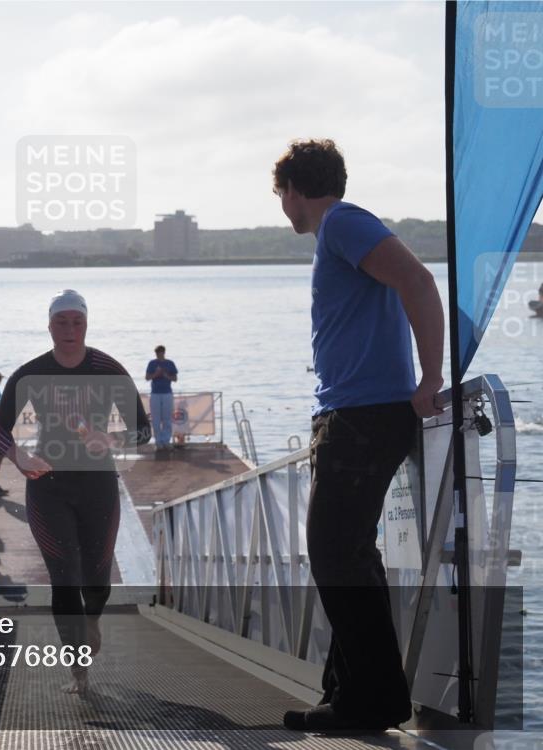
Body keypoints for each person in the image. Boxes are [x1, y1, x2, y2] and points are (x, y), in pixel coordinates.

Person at [273, 139, 444, 733]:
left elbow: (418, 281)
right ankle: (349, 693)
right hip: (352, 414)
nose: (283, 207)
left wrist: (430, 377)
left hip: (364, 416)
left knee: (335, 552)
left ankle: (374, 700)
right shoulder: (340, 231)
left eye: (281, 195)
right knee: (348, 553)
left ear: (295, 189)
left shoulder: (343, 223)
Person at [0, 289, 151, 696]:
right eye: (61, 322)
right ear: (49, 326)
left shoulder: (108, 369)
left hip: (98, 485)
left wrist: (112, 439)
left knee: (97, 579)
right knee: (63, 578)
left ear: (86, 325)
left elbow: (144, 430)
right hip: (48, 485)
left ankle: (92, 618)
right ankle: (79, 672)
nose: (69, 329)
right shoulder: (31, 374)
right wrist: (18, 456)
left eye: (76, 322)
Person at [145, 345, 178, 449]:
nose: (158, 355)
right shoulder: (152, 363)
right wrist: (156, 374)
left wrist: (166, 375)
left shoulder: (170, 363)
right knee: (156, 419)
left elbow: (175, 378)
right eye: (157, 353)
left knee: (167, 418)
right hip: (155, 393)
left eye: (160, 353)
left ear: (164, 352)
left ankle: (166, 441)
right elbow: (147, 377)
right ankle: (158, 441)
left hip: (167, 393)